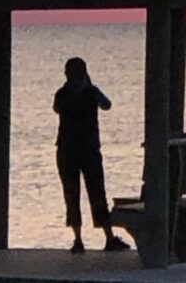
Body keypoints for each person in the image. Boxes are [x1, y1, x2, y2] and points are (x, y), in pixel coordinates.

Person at [53, 57, 130, 254]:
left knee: (72, 194)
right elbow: (107, 104)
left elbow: (56, 109)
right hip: (87, 150)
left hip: (68, 150)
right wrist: (90, 86)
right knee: (96, 193)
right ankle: (108, 237)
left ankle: (78, 240)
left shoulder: (62, 94)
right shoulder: (90, 92)